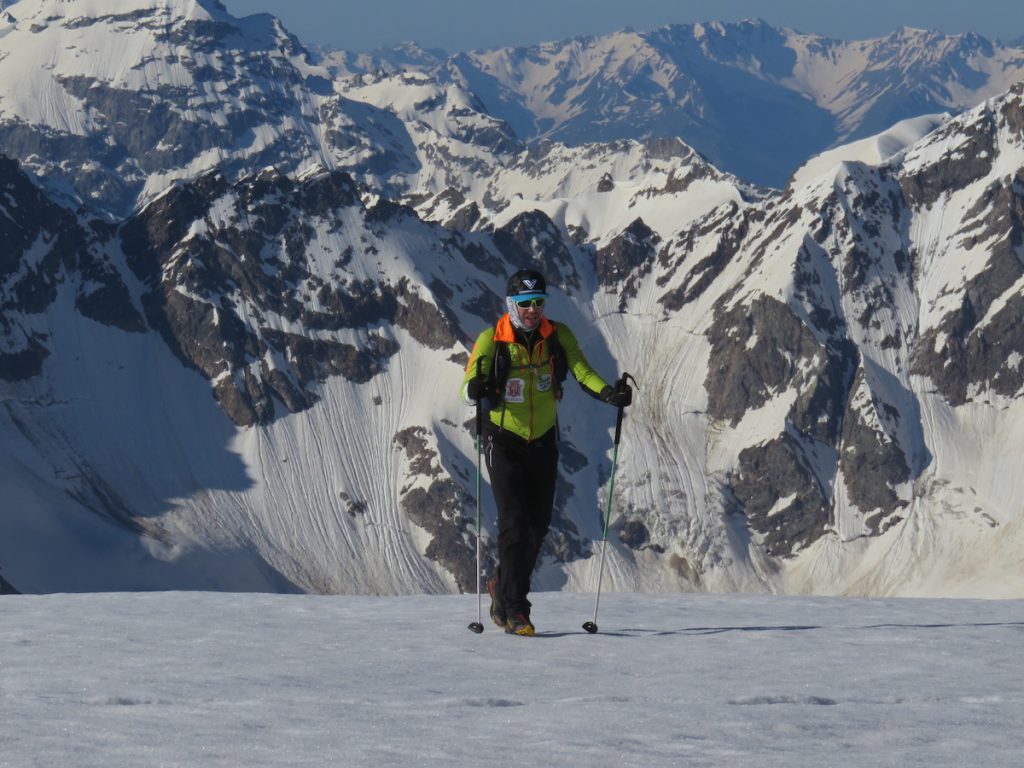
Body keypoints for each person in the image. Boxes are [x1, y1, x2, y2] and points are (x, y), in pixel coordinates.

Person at [461, 268, 632, 636]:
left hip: (542, 440)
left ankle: (501, 587)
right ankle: (516, 609)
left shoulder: (557, 337)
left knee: (537, 527)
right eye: (525, 303)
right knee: (514, 523)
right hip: (503, 439)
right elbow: (468, 386)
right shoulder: (493, 339)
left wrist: (609, 393)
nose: (532, 310)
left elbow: (583, 371)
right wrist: (476, 387)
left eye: (538, 302)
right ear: (511, 304)